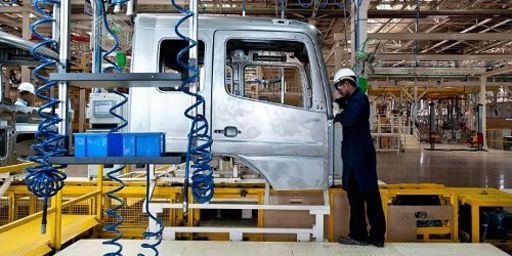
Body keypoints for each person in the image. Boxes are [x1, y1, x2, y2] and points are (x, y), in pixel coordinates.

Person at [333, 68, 386, 248]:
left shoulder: (360, 100)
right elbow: (345, 103)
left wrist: (337, 116)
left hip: (360, 159)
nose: (339, 91)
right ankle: (365, 235)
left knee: (368, 198)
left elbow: (349, 118)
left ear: (347, 84)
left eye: (340, 87)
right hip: (356, 157)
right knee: (358, 198)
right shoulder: (353, 99)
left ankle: (370, 236)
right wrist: (337, 102)